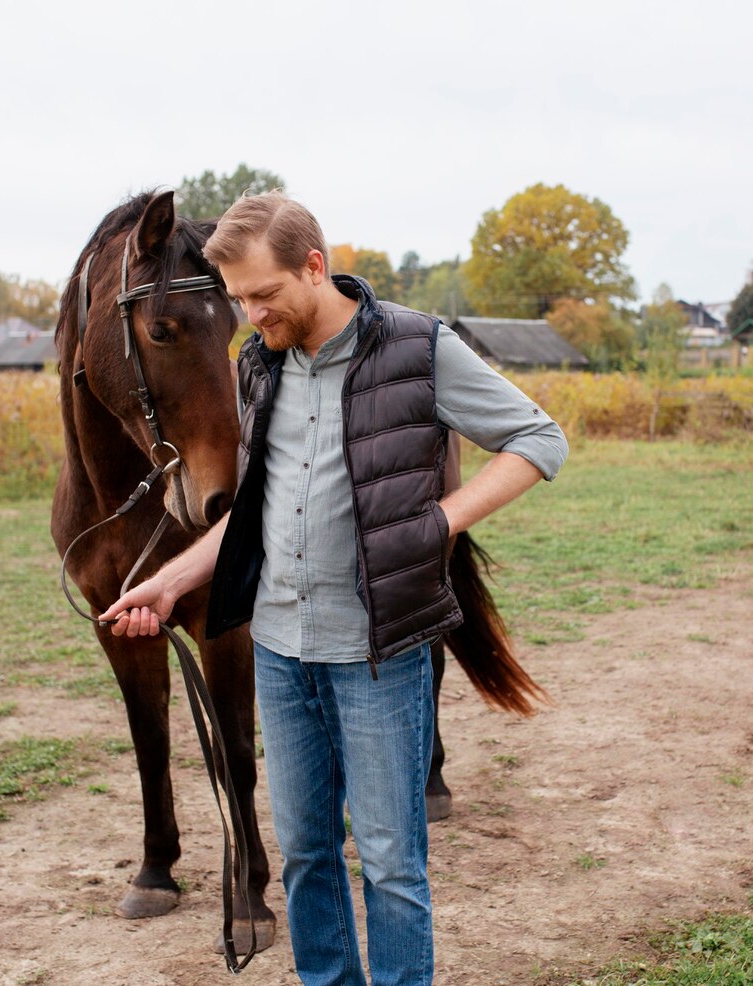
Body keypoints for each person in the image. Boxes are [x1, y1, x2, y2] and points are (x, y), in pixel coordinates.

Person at [100, 191, 567, 986]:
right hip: (281, 654)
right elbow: (255, 509)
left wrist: (439, 522)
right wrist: (168, 582)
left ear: (314, 267)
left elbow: (538, 438)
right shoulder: (257, 364)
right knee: (309, 856)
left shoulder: (418, 348)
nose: (250, 317)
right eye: (239, 299)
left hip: (379, 656)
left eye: (263, 295)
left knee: (389, 863)